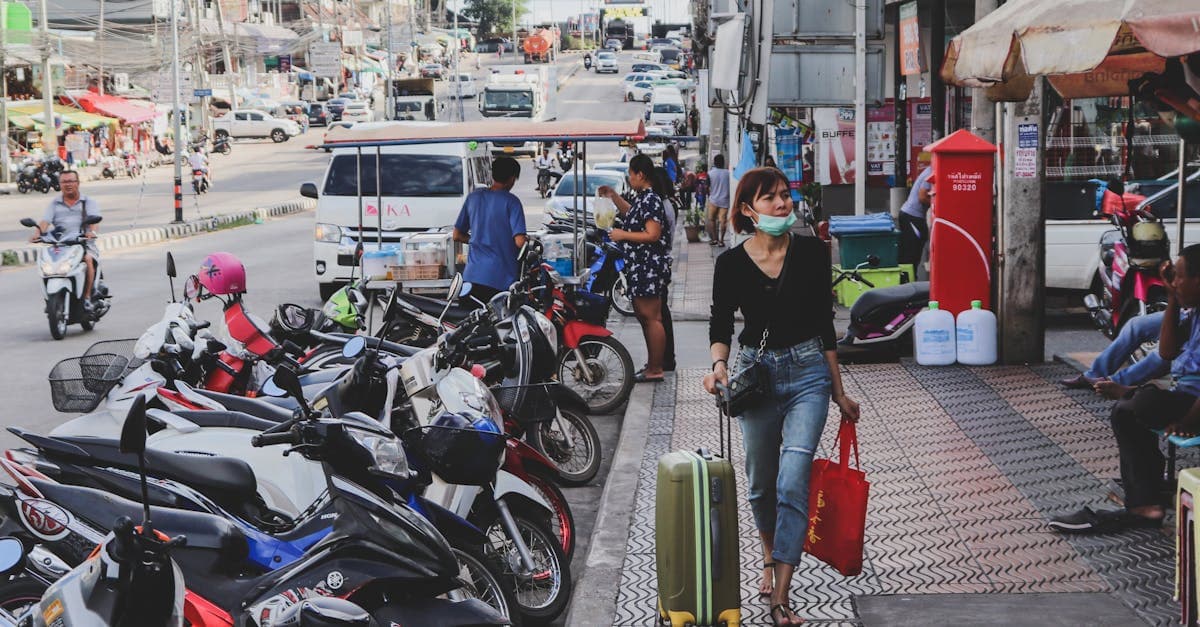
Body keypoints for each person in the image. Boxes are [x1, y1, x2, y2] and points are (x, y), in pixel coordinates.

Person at [703, 167, 860, 626]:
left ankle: (782, 594)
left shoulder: (812, 251)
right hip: (756, 375)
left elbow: (824, 324)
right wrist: (718, 367)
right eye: (770, 199)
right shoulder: (730, 264)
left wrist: (839, 393)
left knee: (793, 480)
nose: (782, 204)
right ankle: (770, 555)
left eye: (785, 196)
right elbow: (719, 322)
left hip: (808, 372)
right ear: (748, 210)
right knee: (760, 483)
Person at [1048, 245, 1200, 534]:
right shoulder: (1193, 314)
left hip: (1193, 406)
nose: (1175, 282)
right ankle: (1146, 502)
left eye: (1179, 278)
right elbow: (1167, 352)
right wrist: (1172, 298)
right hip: (1185, 397)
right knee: (1129, 410)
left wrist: (1188, 423)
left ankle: (1145, 502)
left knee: (1139, 404)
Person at [597, 154, 671, 382]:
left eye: (630, 174)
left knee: (652, 317)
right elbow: (632, 213)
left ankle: (656, 368)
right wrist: (613, 196)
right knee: (643, 315)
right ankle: (652, 364)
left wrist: (622, 234)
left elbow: (653, 234)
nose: (629, 178)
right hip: (640, 266)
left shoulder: (651, 199)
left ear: (640, 174)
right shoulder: (643, 198)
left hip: (648, 266)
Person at [452, 157, 527, 303]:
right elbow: (520, 242)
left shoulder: (473, 197)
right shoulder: (512, 202)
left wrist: (476, 240)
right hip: (500, 280)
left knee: (471, 323)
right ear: (512, 178)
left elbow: (457, 235)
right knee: (499, 324)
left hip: (470, 279)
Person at [1059, 311, 1170, 396]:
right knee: (1135, 325)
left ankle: (1113, 383)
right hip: (1183, 311)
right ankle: (1095, 374)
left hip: (1187, 320)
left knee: (1163, 354)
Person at [32, 170, 101, 308]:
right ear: (60, 184)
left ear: (78, 183)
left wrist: (91, 232)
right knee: (47, 263)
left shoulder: (87, 202)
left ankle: (87, 296)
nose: (68, 185)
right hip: (61, 246)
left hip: (82, 244)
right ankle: (50, 300)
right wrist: (38, 233)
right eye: (64, 182)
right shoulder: (54, 204)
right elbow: (45, 221)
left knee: (88, 260)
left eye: (71, 181)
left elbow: (94, 222)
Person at [650, 166, 678, 372]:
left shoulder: (661, 205)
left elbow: (654, 236)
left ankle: (665, 359)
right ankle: (666, 358)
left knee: (659, 315)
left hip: (660, 263)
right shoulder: (667, 203)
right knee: (662, 314)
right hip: (664, 261)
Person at [898, 163, 934, 267]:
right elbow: (922, 197)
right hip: (912, 216)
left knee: (917, 246)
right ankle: (908, 279)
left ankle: (910, 276)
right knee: (911, 252)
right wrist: (938, 203)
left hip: (914, 216)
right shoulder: (931, 172)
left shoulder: (931, 170)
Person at [707, 154, 731, 247]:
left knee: (712, 220)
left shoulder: (710, 173)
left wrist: (710, 195)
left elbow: (707, 186)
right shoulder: (728, 173)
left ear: (715, 163)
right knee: (723, 221)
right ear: (723, 162)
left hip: (713, 200)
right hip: (725, 200)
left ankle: (714, 239)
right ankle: (721, 240)